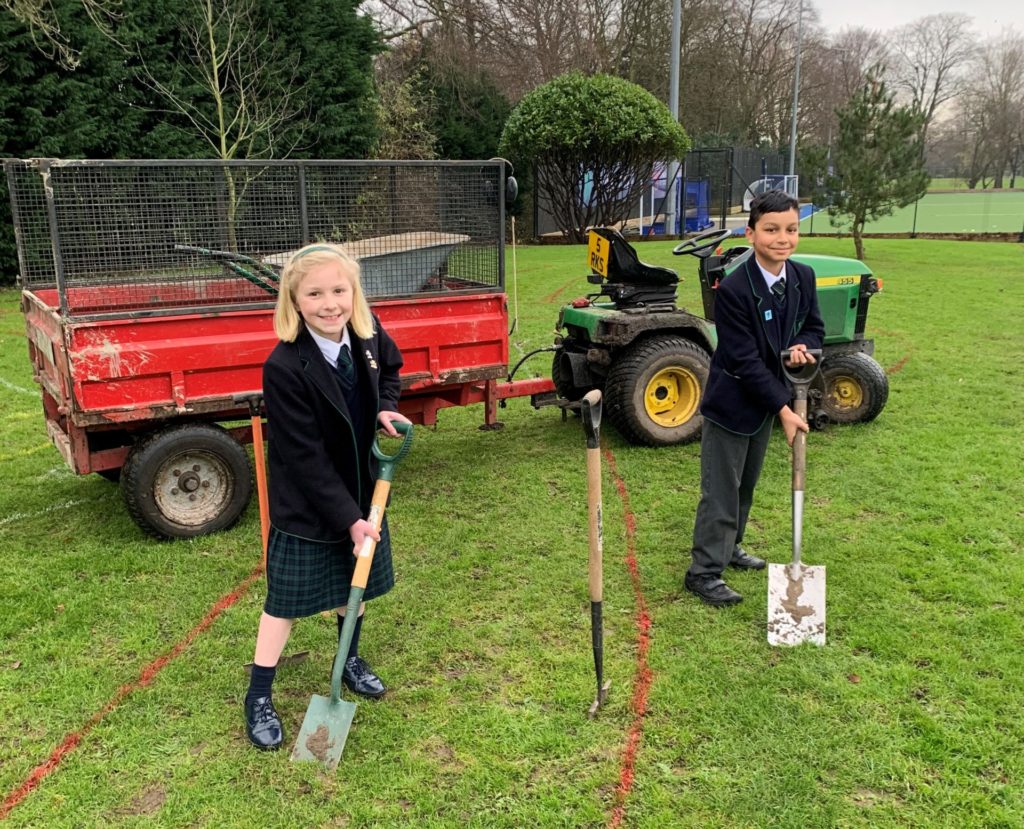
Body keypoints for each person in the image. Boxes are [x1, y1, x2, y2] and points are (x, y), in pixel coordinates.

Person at [244, 243, 410, 750]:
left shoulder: (367, 334)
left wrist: (384, 408)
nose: (329, 302)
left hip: (361, 492)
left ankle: (348, 660)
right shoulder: (285, 366)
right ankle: (258, 695)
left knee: (351, 590)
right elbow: (304, 456)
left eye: (339, 290)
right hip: (309, 503)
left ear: (353, 292)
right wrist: (347, 520)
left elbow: (393, 371)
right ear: (294, 300)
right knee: (284, 604)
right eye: (315, 293)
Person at [684, 190, 825, 606]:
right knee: (722, 492)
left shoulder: (803, 277)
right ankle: (704, 572)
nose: (782, 238)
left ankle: (730, 549)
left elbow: (814, 328)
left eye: (791, 229)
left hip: (768, 401)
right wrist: (783, 409)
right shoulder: (733, 290)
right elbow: (744, 361)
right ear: (751, 233)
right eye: (771, 229)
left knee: (746, 487)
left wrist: (803, 345)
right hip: (734, 403)